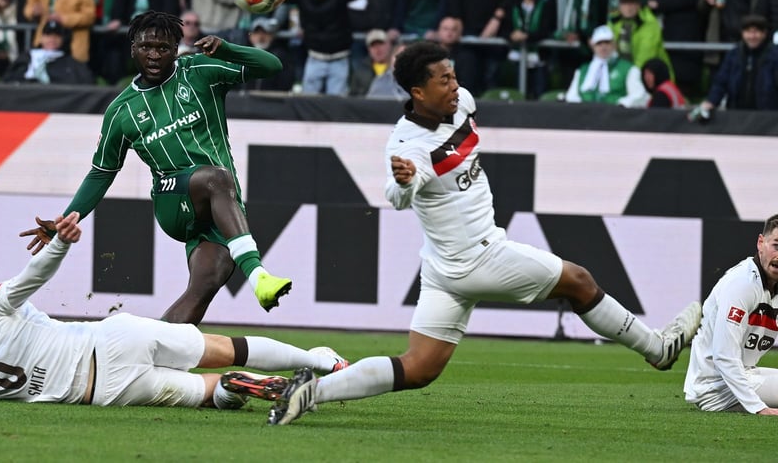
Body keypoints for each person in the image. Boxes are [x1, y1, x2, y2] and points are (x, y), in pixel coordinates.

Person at [257, 40, 703, 426]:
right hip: (479, 257)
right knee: (579, 281)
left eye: (453, 76)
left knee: (419, 368)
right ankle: (658, 349)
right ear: (418, 93)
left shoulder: (463, 102)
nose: (455, 86)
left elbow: (456, 119)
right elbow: (398, 195)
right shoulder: (409, 146)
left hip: (443, 269)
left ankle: (310, 392)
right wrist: (405, 180)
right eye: (444, 80)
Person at [0, 212, 348, 408]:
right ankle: (319, 360)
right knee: (223, 347)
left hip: (102, 392)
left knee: (208, 392)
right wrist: (60, 244)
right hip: (109, 342)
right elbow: (32, 277)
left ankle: (241, 389)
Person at [20, 11, 292, 325]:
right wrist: (69, 217)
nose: (153, 54)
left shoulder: (200, 71)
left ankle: (150, 349)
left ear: (176, 50)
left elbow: (272, 66)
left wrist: (227, 49)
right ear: (132, 48)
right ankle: (258, 276)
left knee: (203, 287)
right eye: (145, 46)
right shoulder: (122, 111)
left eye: (163, 48)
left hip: (219, 205)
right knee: (216, 178)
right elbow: (102, 172)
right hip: (173, 201)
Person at [684, 214, 778, 414]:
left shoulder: (773, 287)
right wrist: (759, 408)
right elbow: (724, 356)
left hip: (744, 376)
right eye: (776, 246)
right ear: (760, 243)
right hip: (714, 389)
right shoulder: (743, 283)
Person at [693, 14, 778, 115]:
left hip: (767, 115)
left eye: (756, 32)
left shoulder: (774, 55)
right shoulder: (734, 54)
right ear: (742, 33)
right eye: (748, 32)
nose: (752, 36)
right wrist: (711, 101)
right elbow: (721, 82)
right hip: (736, 113)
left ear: (764, 33)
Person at [565, 25, 650, 107]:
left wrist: (621, 105)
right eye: (599, 43)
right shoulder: (582, 70)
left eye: (607, 42)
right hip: (585, 114)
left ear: (614, 44)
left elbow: (639, 95)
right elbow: (571, 96)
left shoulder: (629, 69)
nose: (603, 47)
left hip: (615, 114)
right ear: (593, 46)